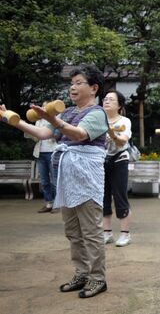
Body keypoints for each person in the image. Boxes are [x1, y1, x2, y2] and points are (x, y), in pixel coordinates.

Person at [1, 64, 109, 298]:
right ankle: (81, 273)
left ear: (93, 88)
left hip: (87, 180)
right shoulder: (68, 112)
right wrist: (12, 118)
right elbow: (42, 134)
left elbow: (78, 135)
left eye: (79, 83)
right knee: (72, 231)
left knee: (91, 232)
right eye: (71, 83)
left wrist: (53, 119)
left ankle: (98, 278)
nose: (73, 87)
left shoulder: (97, 113)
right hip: (67, 179)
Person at [102, 90, 133, 247]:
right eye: (105, 99)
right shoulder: (98, 120)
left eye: (111, 100)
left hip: (119, 159)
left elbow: (122, 141)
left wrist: (112, 134)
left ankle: (125, 234)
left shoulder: (125, 121)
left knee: (120, 196)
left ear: (119, 105)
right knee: (103, 196)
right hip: (101, 161)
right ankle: (107, 233)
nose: (106, 101)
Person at [27, 101, 58, 213]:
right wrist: (30, 132)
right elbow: (36, 138)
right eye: (43, 106)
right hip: (40, 153)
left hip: (52, 152)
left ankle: (56, 204)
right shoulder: (38, 121)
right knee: (44, 181)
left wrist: (49, 133)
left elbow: (59, 136)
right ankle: (48, 203)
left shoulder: (55, 119)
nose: (44, 108)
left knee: (54, 180)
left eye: (46, 106)